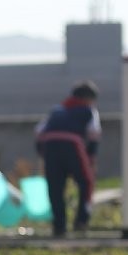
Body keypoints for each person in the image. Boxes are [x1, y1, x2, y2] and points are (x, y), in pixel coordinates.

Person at [35, 81, 102, 238]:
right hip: (73, 145)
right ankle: (81, 221)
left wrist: (43, 153)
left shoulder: (57, 110)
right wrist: (91, 157)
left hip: (50, 146)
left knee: (55, 188)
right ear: (89, 99)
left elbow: (38, 131)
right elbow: (94, 133)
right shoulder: (89, 111)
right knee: (86, 182)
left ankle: (59, 226)